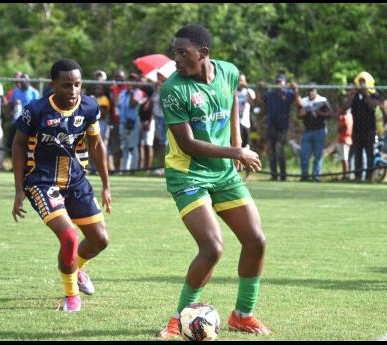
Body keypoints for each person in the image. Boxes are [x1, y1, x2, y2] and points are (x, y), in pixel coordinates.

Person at [157, 24, 270, 339]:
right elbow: (188, 144)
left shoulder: (228, 72)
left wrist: (235, 143)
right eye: (175, 52)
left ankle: (243, 315)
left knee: (256, 241)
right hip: (188, 173)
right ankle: (179, 320)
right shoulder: (173, 90)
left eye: (183, 52)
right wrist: (237, 150)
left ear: (203, 53)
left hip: (223, 172)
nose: (176, 59)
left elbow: (231, 100)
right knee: (212, 247)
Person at [11, 58, 111, 312]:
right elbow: (18, 144)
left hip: (76, 182)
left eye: (77, 84)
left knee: (100, 240)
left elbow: (97, 145)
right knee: (69, 236)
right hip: (41, 182)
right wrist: (18, 190)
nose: (73, 91)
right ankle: (71, 298)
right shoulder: (36, 110)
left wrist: (106, 185)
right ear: (53, 84)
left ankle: (76, 269)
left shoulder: (89, 107)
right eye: (67, 85)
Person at [256, 72, 302, 181]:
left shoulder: (289, 93)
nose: (279, 84)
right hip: (271, 126)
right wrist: (260, 90)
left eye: (281, 82)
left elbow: (299, 104)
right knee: (271, 152)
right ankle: (274, 175)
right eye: (277, 82)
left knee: (279, 151)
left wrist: (296, 90)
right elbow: (258, 102)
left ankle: (283, 175)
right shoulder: (270, 94)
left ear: (285, 83)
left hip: (282, 128)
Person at [345, 71, 380, 182]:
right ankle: (358, 176)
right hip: (357, 130)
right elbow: (346, 107)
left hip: (369, 130)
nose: (361, 85)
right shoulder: (355, 96)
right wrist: (352, 94)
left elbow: (373, 106)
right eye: (360, 83)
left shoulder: (374, 94)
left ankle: (369, 178)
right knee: (358, 154)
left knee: (370, 154)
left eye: (363, 82)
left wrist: (366, 94)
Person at [298, 84, 333, 182]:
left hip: (320, 131)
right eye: (309, 90)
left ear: (316, 91)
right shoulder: (304, 101)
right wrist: (302, 112)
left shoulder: (322, 100)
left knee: (318, 155)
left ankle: (316, 176)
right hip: (307, 131)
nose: (310, 92)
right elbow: (299, 115)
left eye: (312, 90)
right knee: (304, 154)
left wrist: (319, 113)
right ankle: (304, 176)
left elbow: (330, 114)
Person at [118, 73, 145, 172]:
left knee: (133, 146)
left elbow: (132, 104)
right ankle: (125, 169)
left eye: (133, 80)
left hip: (133, 122)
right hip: (123, 122)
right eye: (130, 79)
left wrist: (132, 92)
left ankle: (134, 169)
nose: (131, 82)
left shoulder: (138, 92)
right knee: (124, 146)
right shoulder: (123, 92)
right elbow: (119, 104)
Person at [7, 73, 40, 150]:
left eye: (25, 79)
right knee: (13, 142)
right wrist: (11, 108)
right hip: (17, 120)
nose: (23, 81)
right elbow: (10, 105)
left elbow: (38, 107)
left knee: (27, 144)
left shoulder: (34, 92)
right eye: (21, 79)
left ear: (29, 80)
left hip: (29, 121)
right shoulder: (15, 91)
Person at [237, 73, 256, 180]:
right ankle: (235, 172)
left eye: (242, 80)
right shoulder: (233, 91)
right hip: (235, 124)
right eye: (239, 80)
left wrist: (247, 89)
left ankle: (248, 174)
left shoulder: (249, 91)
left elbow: (253, 102)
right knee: (235, 148)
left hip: (245, 123)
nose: (240, 82)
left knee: (247, 148)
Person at [337, 86, 354, 180]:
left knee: (345, 159)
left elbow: (340, 128)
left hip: (344, 139)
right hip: (344, 139)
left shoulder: (346, 117)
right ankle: (345, 174)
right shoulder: (349, 116)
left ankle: (346, 175)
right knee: (344, 158)